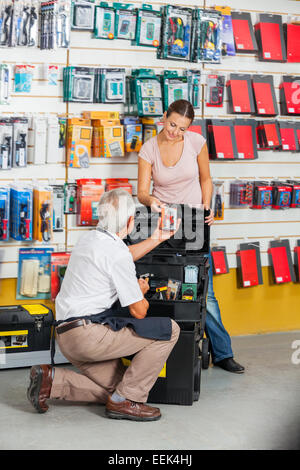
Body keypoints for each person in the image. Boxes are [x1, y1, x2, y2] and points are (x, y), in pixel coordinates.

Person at [27, 188, 181, 421]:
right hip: (90, 338)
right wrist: (139, 292)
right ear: (130, 221)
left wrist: (159, 237)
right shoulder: (117, 254)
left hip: (66, 337)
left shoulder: (89, 239)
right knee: (170, 330)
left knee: (119, 387)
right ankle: (129, 401)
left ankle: (53, 381)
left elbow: (122, 253)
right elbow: (138, 312)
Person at [137, 99, 244, 374]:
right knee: (163, 285)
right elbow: (141, 192)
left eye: (182, 128)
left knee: (203, 293)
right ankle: (157, 347)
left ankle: (223, 353)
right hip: (163, 224)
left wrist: (207, 205)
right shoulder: (148, 149)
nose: (175, 132)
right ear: (164, 117)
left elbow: (206, 179)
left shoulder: (196, 142)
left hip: (195, 222)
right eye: (172, 124)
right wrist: (152, 202)